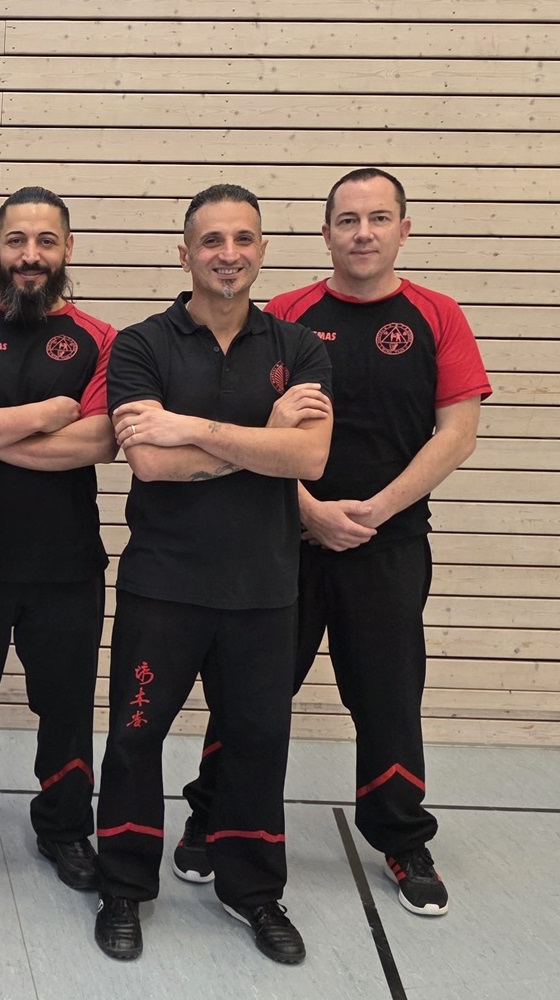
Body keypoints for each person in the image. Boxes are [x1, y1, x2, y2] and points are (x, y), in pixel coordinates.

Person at [176, 169, 490, 917]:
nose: (363, 233)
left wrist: (375, 510)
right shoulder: (285, 316)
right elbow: (251, 436)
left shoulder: (438, 316)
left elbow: (458, 433)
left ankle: (402, 836)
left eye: (378, 219)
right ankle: (212, 812)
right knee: (250, 691)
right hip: (283, 540)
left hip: (389, 543)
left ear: (403, 230)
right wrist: (310, 511)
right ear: (325, 235)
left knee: (388, 695)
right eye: (347, 220)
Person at [94, 184, 333, 965]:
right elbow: (151, 463)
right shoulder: (141, 345)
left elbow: (309, 456)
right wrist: (262, 441)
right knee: (135, 738)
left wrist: (192, 427)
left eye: (243, 238)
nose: (228, 254)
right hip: (163, 585)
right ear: (185, 253)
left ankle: (253, 890)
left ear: (262, 250)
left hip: (265, 590)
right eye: (211, 240)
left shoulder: (300, 348)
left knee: (257, 742)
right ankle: (124, 885)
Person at [0, 187, 117, 892]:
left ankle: (65, 828)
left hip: (66, 566)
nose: (30, 255)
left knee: (66, 708)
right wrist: (43, 417)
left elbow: (97, 441)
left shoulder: (102, 339)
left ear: (68, 249)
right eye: (16, 240)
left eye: (45, 241)